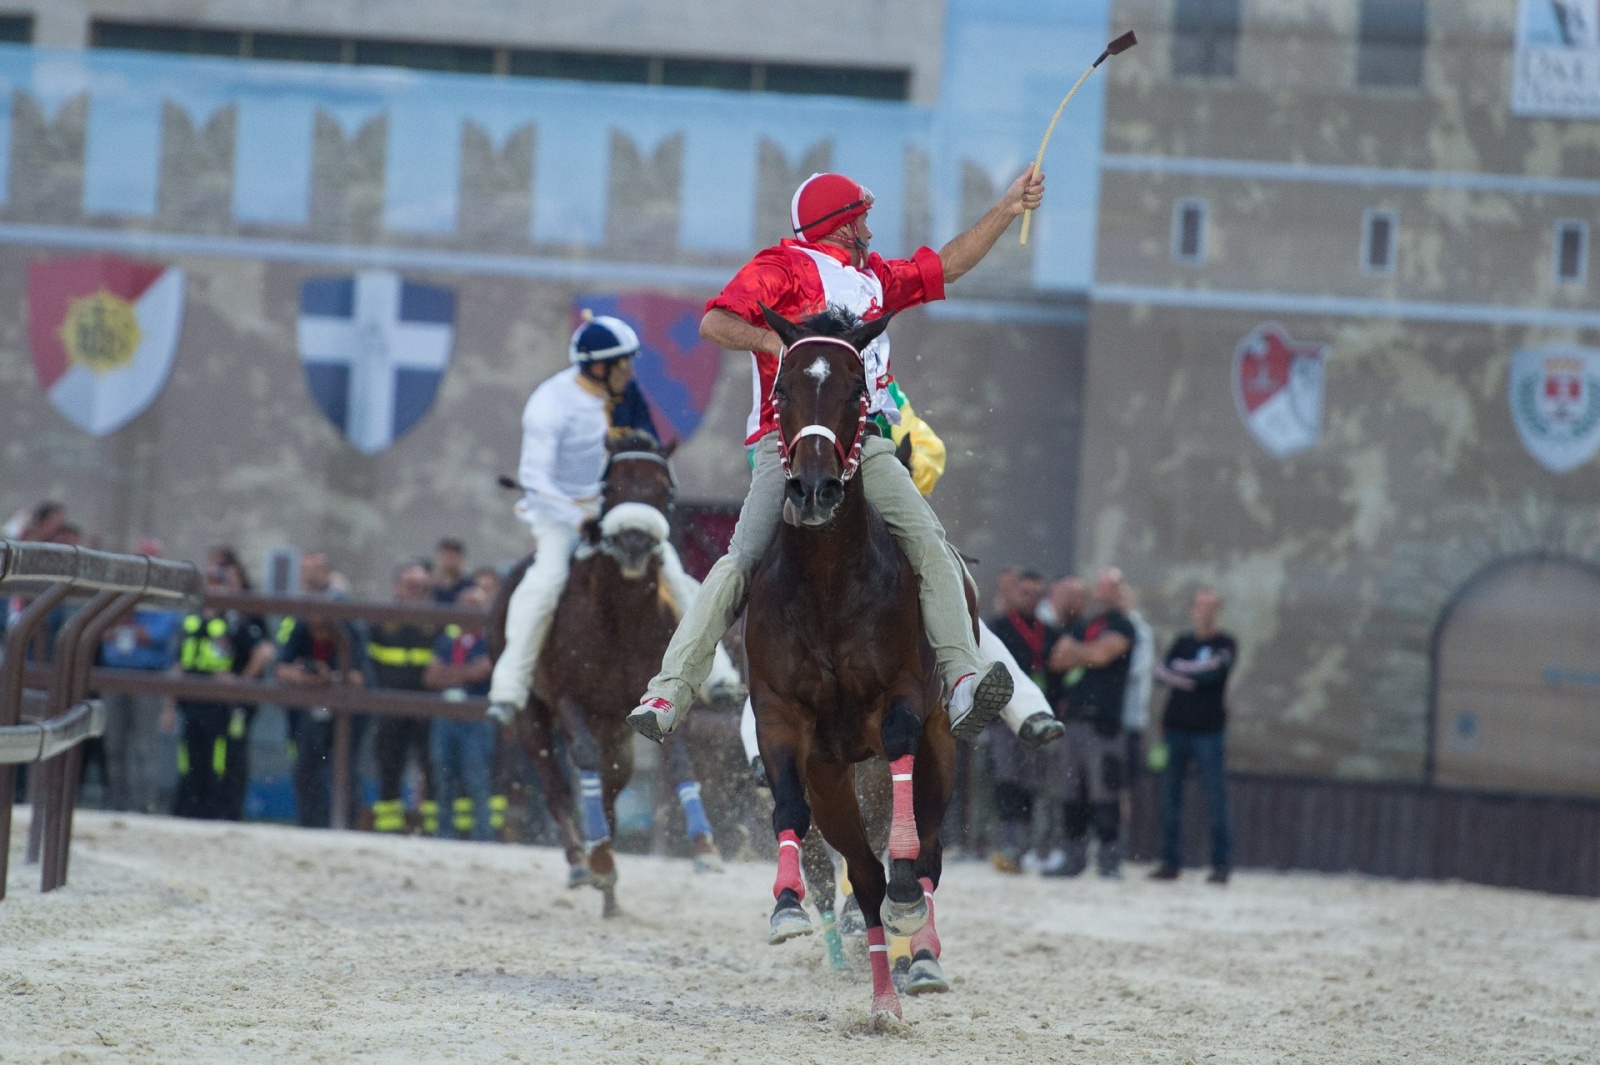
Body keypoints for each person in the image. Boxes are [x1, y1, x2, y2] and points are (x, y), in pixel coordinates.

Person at [630, 164, 1048, 741]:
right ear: (842, 225)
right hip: (787, 443)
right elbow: (715, 322)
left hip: (867, 442)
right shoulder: (780, 267)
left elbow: (948, 264)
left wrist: (1006, 209)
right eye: (863, 220)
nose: (871, 231)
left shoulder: (875, 276)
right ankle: (669, 692)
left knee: (930, 546)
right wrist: (779, 343)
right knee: (740, 560)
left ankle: (962, 684)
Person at [486, 313, 740, 724]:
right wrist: (577, 519)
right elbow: (534, 478)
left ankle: (720, 679)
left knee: (675, 575)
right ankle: (509, 688)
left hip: (616, 509)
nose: (630, 370)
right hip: (558, 513)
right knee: (547, 580)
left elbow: (642, 452)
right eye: (623, 363)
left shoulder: (627, 394)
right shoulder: (548, 405)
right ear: (599, 367)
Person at [1046, 568, 1136, 878]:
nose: (1103, 592)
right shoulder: (1086, 625)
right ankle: (1073, 859)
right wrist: (1087, 653)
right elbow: (1057, 659)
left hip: (1103, 724)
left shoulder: (1123, 625)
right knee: (1071, 793)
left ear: (1120, 591)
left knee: (1105, 793)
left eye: (1109, 587)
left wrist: (1079, 653)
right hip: (1073, 722)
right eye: (1100, 586)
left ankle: (1110, 861)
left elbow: (1102, 656)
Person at [171, 554, 273, 821]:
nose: (215, 587)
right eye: (211, 581)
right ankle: (189, 809)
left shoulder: (236, 619)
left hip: (223, 706)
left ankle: (221, 811)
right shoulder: (194, 618)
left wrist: (240, 682)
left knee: (224, 759)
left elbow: (262, 651)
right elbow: (179, 661)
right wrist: (169, 705)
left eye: (221, 581)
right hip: (192, 700)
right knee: (191, 757)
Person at [1149, 586, 1237, 884]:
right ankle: (1170, 862)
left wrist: (1182, 673)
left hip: (1209, 733)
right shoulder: (1182, 642)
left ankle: (1221, 865)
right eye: (1200, 605)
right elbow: (1160, 673)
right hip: (1176, 730)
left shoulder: (1226, 643)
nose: (1205, 611)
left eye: (1211, 606)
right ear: (1192, 610)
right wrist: (1192, 675)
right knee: (1170, 798)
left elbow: (1212, 674)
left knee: (1215, 800)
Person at [98, 536, 183, 814]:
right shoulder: (119, 589)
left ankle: (144, 805)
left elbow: (157, 634)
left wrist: (127, 627)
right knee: (114, 744)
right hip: (114, 674)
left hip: (148, 676)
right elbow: (101, 627)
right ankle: (116, 803)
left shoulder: (166, 594)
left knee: (146, 747)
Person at [981, 570, 1056, 873]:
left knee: (1033, 785)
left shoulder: (1049, 631)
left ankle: (1031, 847)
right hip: (1004, 719)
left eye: (1037, 593)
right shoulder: (997, 628)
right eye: (1025, 592)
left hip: (1038, 718)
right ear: (1013, 594)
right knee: (1005, 781)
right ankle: (1008, 843)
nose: (1031, 599)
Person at [275, 611, 364, 829]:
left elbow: (360, 678)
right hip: (308, 717)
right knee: (305, 771)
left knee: (341, 773)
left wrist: (330, 677)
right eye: (314, 629)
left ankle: (343, 826)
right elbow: (280, 668)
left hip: (344, 719)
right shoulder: (300, 629)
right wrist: (303, 676)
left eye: (324, 629)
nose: (318, 634)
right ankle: (308, 825)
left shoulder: (350, 632)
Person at [425, 581, 498, 842]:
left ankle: (483, 836)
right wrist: (464, 674)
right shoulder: (448, 638)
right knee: (443, 779)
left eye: (475, 606)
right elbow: (431, 676)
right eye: (465, 605)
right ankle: (443, 833)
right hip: (446, 715)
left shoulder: (490, 638)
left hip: (476, 718)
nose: (469, 611)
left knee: (477, 780)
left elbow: (484, 668)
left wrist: (451, 674)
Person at [369, 562, 439, 834]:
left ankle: (432, 829)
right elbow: (368, 661)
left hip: (428, 707)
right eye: (409, 586)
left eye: (420, 587)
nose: (414, 592)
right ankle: (389, 828)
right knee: (389, 766)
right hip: (389, 706)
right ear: (397, 588)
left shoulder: (437, 621)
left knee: (431, 767)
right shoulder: (381, 621)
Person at [430, 537, 472, 604]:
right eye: (446, 553)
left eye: (455, 553)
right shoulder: (428, 585)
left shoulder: (470, 586)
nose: (450, 556)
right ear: (439, 557)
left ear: (462, 559)